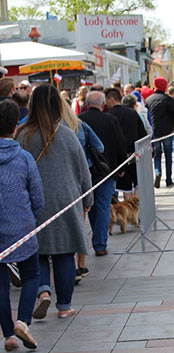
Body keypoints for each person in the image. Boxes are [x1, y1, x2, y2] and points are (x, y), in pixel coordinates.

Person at [16, 84, 93, 319]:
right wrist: (87, 199)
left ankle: (43, 292)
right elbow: (83, 172)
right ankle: (64, 306)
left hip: (32, 203)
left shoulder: (22, 134)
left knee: (37, 253)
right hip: (65, 202)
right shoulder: (67, 134)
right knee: (64, 254)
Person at [0, 99, 44, 351]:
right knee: (31, 274)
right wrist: (30, 216)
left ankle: (8, 334)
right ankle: (23, 321)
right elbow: (37, 197)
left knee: (0, 283)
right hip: (22, 226)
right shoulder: (24, 158)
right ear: (15, 127)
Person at [60, 98, 104, 282]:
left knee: (63, 224)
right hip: (81, 176)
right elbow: (100, 147)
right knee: (80, 222)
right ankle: (81, 264)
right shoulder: (80, 125)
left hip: (59, 179)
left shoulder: (51, 128)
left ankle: (69, 264)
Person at [79, 91, 127, 256]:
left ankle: (96, 238)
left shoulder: (79, 120)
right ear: (102, 103)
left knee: (89, 205)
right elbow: (121, 144)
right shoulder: (110, 120)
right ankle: (100, 243)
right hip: (107, 170)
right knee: (103, 205)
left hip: (85, 170)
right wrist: (121, 168)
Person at [104, 87, 146, 193]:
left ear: (111, 99)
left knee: (125, 188)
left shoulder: (109, 116)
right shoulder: (132, 113)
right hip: (135, 153)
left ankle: (127, 207)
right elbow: (142, 133)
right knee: (137, 183)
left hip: (119, 157)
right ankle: (137, 207)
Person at [145, 76, 174, 188]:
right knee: (168, 155)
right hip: (167, 131)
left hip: (155, 132)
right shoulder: (168, 100)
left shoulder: (148, 100)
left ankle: (158, 172)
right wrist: (171, 126)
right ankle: (168, 179)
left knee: (157, 155)